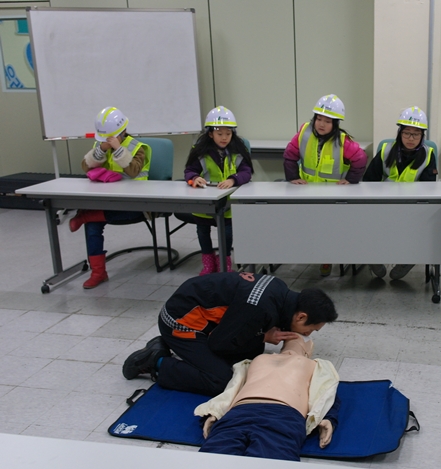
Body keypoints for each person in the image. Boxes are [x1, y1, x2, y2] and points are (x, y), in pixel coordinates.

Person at [122, 271, 337, 396]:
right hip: (180, 324)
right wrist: (263, 337)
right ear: (300, 316)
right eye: (310, 330)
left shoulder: (279, 289)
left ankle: (173, 352)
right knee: (222, 380)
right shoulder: (259, 308)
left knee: (249, 358)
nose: (308, 334)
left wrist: (259, 337)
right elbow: (218, 344)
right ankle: (157, 361)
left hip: (198, 314)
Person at [195, 333, 340, 461]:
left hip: (268, 414)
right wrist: (215, 411)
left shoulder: (313, 364)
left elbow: (327, 392)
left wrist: (328, 418)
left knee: (217, 456)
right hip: (254, 414)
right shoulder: (258, 360)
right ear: (308, 351)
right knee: (214, 458)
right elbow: (326, 392)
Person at [283, 94, 367, 277]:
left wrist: (351, 179)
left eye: (327, 121)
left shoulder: (343, 141)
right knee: (309, 227)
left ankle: (326, 258)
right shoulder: (304, 133)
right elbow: (289, 155)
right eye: (319, 119)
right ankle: (311, 252)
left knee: (328, 230)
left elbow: (360, 159)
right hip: (307, 192)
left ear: (335, 124)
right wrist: (293, 177)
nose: (321, 124)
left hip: (332, 195)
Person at [68, 107, 151, 289]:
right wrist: (101, 150)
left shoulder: (137, 148)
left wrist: (118, 150)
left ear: (122, 132)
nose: (105, 141)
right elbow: (86, 166)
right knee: (92, 226)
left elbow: (133, 171)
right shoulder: (100, 147)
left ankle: (85, 216)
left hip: (134, 205)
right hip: (106, 201)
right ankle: (98, 272)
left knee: (93, 217)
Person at [362, 106, 438, 280]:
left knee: (419, 229)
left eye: (416, 134)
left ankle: (408, 259)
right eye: (407, 133)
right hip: (384, 205)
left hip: (412, 208)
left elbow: (428, 188)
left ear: (422, 136)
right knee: (366, 223)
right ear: (400, 133)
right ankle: (373, 257)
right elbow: (369, 180)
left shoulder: (428, 155)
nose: (411, 138)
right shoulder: (386, 150)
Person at [176, 106, 253, 275]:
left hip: (228, 204)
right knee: (202, 232)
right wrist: (194, 178)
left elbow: (247, 172)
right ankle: (208, 264)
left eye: (228, 133)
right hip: (205, 203)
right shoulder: (200, 151)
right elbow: (189, 171)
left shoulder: (238, 150)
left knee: (227, 234)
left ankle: (224, 262)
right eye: (220, 134)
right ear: (210, 134)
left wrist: (233, 179)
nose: (224, 137)